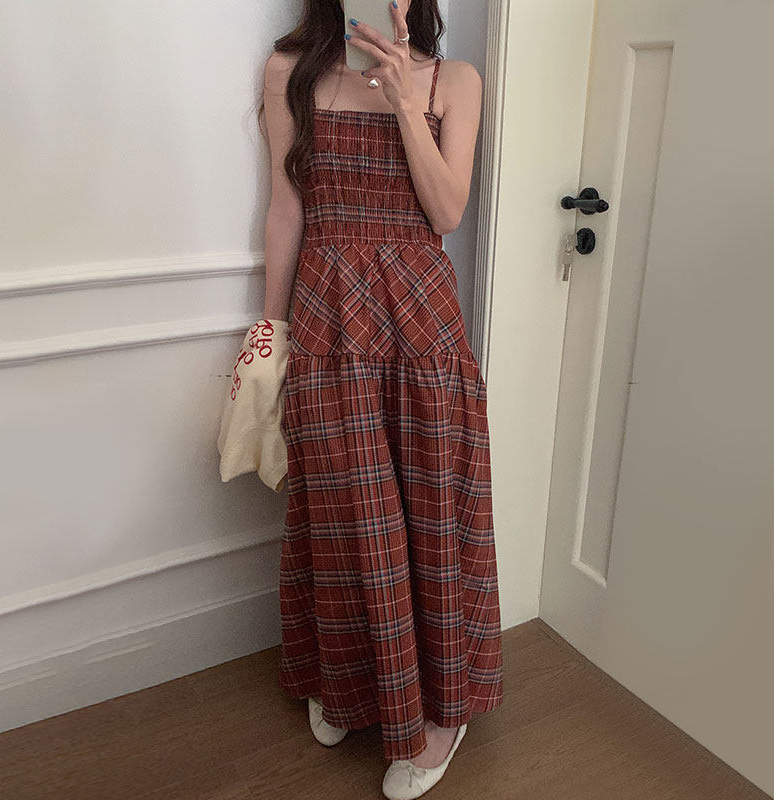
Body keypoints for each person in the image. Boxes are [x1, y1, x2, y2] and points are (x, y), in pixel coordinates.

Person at [257, 1, 503, 797]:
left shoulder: (454, 80)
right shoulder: (289, 73)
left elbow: (447, 212)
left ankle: (442, 712)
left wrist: (403, 99)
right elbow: (286, 210)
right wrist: (270, 334)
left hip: (421, 326)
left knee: (430, 517)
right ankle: (350, 679)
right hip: (328, 320)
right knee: (340, 512)